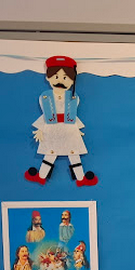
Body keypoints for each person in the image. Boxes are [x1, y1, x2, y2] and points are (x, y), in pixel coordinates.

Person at [24, 56, 98, 187]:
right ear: (48, 77)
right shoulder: (46, 97)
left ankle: (81, 178)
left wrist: (77, 128)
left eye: (65, 78)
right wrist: (40, 129)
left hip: (69, 128)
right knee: (50, 152)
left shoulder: (73, 98)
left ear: (72, 80)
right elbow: (46, 115)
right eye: (56, 76)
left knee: (73, 152)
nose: (60, 81)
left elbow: (73, 114)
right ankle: (41, 176)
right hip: (52, 128)